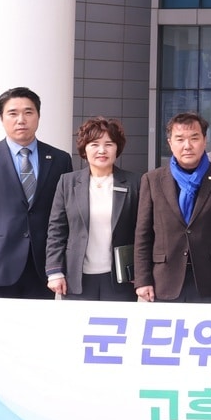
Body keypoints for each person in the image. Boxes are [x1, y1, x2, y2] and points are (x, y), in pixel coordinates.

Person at [0, 86, 74, 299]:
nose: (21, 120)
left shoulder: (60, 159)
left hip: (43, 267)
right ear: (1, 118)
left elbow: (66, 215)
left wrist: (61, 265)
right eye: (13, 113)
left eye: (28, 112)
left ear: (38, 116)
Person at [134, 113, 211, 303]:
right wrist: (142, 279)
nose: (187, 146)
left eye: (194, 138)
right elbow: (143, 234)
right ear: (170, 143)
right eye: (179, 139)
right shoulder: (153, 179)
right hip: (163, 280)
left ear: (204, 140)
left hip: (210, 279)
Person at [45, 117, 139, 301]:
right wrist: (55, 271)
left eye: (109, 144)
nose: (102, 150)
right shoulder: (67, 182)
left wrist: (142, 272)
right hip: (76, 278)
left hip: (121, 279)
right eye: (94, 144)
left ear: (117, 148)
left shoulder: (135, 182)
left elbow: (142, 231)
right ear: (84, 148)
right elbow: (56, 230)